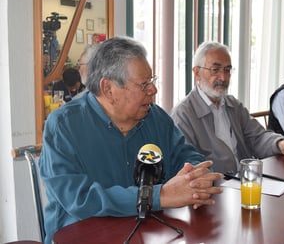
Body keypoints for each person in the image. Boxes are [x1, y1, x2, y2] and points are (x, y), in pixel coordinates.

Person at [39, 37, 223, 244]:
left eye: (152, 81)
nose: (153, 90)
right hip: (82, 235)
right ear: (108, 89)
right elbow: (79, 199)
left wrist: (195, 176)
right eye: (144, 84)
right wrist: (157, 196)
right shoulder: (64, 125)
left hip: (146, 232)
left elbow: (186, 156)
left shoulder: (155, 117)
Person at [170, 41, 284, 174]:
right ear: (197, 73)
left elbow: (257, 137)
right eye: (215, 70)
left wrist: (280, 144)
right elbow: (189, 164)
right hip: (215, 188)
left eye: (227, 70)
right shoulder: (183, 114)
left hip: (245, 179)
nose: (223, 77)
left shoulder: (233, 105)